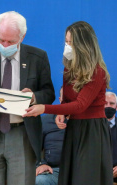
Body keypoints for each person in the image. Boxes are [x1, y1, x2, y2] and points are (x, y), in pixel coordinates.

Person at [0, 11, 55, 185]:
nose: (5, 45)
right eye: (1, 40)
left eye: (11, 41)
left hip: (22, 134)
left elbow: (49, 93)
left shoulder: (38, 58)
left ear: (22, 37)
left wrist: (33, 97)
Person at [23, 21, 113, 185]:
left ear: (83, 45)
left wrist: (44, 108)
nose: (67, 46)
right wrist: (60, 112)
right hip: (74, 129)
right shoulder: (68, 68)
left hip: (92, 131)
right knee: (70, 177)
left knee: (86, 179)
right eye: (66, 41)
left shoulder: (97, 71)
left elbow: (80, 105)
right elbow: (67, 100)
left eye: (71, 42)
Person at [36, 87, 65, 185]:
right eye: (66, 97)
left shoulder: (84, 122)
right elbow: (34, 147)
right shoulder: (46, 121)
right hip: (54, 171)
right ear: (60, 100)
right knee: (40, 181)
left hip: (80, 172)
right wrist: (41, 164)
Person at [105, 91, 117, 183]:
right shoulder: (92, 127)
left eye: (112, 103)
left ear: (116, 107)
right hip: (96, 171)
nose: (108, 106)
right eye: (105, 103)